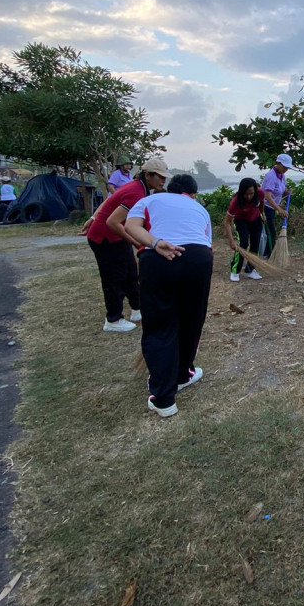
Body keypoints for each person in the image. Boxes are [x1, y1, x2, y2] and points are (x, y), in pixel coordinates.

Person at [124, 174, 213, 418]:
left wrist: (155, 242)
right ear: (191, 194)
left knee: (160, 324)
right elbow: (206, 243)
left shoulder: (150, 200)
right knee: (191, 320)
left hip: (159, 258)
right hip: (199, 258)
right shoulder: (199, 208)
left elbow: (130, 226)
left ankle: (164, 399)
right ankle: (184, 374)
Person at [81, 157, 169, 332]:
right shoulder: (136, 192)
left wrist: (92, 217)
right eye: (159, 176)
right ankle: (113, 319)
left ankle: (137, 309)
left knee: (130, 272)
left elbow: (109, 202)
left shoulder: (140, 188)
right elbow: (112, 222)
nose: (163, 180)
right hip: (105, 238)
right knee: (114, 278)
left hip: (117, 238)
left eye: (164, 177)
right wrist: (136, 242)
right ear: (148, 175)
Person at [223, 177, 265, 282]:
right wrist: (231, 241)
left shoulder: (260, 193)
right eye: (246, 194)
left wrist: (262, 214)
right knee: (243, 244)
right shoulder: (235, 201)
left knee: (256, 244)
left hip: (255, 219)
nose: (249, 196)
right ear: (242, 192)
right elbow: (227, 222)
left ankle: (250, 270)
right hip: (241, 221)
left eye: (251, 193)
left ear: (255, 191)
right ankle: (235, 271)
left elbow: (262, 203)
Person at [260, 154, 292, 256]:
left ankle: (267, 253)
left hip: (272, 208)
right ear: (278, 163)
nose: (286, 169)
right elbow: (268, 197)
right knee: (271, 233)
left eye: (287, 167)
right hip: (265, 208)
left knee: (271, 232)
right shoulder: (271, 176)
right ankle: (268, 255)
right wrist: (280, 210)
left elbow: (279, 191)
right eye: (284, 167)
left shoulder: (282, 176)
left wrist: (286, 192)